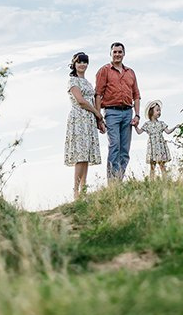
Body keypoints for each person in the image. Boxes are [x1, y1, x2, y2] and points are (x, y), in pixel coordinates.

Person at [93, 41, 140, 184]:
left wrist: (137, 115)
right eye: (115, 52)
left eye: (120, 52)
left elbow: (136, 95)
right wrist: (99, 118)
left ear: (124, 54)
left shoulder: (130, 72)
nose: (117, 54)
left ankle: (119, 180)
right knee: (115, 146)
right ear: (111, 53)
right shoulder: (104, 71)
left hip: (127, 113)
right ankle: (112, 183)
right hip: (111, 112)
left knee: (125, 150)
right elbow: (98, 95)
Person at [64, 51, 105, 199]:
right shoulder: (72, 81)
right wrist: (97, 113)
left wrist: (99, 120)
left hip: (89, 119)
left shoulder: (87, 82)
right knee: (80, 155)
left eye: (85, 62)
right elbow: (81, 101)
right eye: (79, 62)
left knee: (86, 155)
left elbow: (94, 99)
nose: (82, 64)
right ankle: (75, 191)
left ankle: (84, 189)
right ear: (74, 64)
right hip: (79, 118)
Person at [137, 99, 174, 178]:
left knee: (162, 165)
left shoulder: (161, 123)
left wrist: (175, 127)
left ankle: (165, 181)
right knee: (152, 167)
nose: (159, 112)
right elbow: (139, 132)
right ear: (151, 112)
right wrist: (135, 126)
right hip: (152, 148)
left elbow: (168, 131)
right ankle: (152, 181)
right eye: (157, 110)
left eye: (159, 110)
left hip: (160, 147)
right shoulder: (147, 124)